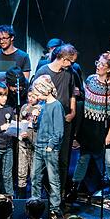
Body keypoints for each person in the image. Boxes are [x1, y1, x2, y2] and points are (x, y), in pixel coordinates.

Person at [66, 52, 110, 203]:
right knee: (83, 159)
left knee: (109, 160)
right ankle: (74, 188)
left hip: (104, 128)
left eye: (102, 64)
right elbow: (85, 102)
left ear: (109, 69)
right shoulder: (90, 80)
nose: (98, 66)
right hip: (89, 126)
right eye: (98, 63)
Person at [32, 45, 77, 205]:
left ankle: (60, 196)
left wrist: (72, 112)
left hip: (65, 120)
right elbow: (34, 96)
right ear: (63, 59)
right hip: (47, 120)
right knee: (45, 161)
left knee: (63, 159)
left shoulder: (69, 73)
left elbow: (72, 93)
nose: (71, 65)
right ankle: (42, 198)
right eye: (70, 61)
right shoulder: (43, 71)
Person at [29, 75, 65, 219]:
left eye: (37, 93)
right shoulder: (42, 107)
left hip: (50, 148)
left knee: (53, 180)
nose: (36, 96)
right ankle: (34, 204)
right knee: (35, 177)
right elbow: (38, 127)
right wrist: (35, 119)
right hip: (39, 146)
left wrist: (51, 146)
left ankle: (55, 209)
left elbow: (59, 131)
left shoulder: (56, 106)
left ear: (44, 90)